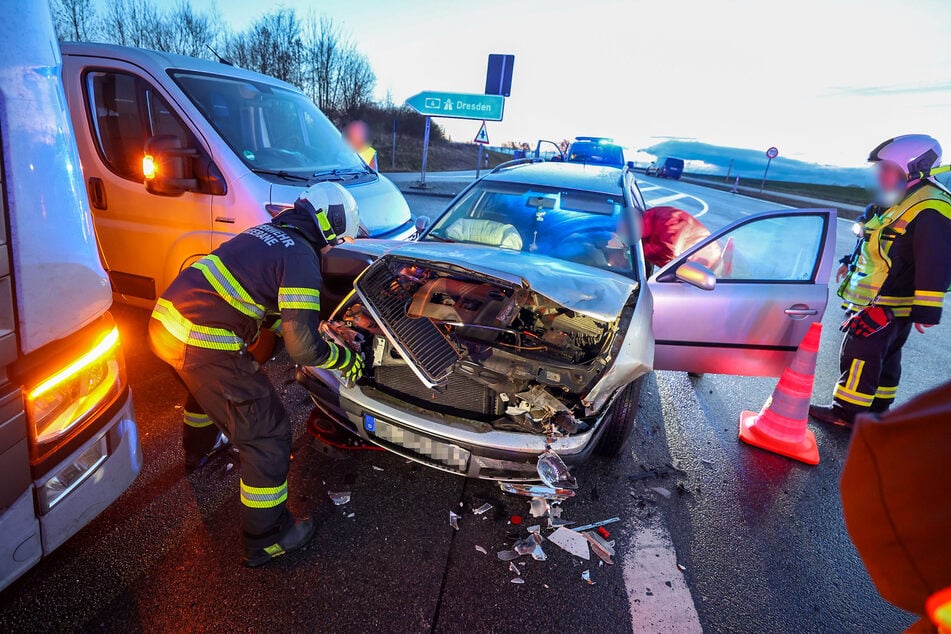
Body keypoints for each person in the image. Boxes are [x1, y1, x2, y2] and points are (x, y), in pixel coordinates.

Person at [148, 182, 365, 567]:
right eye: (339, 238)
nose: (334, 246)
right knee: (267, 434)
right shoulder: (301, 255)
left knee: (203, 391)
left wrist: (307, 330)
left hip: (167, 324)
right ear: (329, 227)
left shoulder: (265, 232)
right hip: (202, 339)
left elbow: (264, 305)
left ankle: (197, 456)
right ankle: (267, 538)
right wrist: (344, 360)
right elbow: (303, 350)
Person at [810, 135, 951, 428]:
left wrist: (926, 311)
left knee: (860, 354)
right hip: (883, 300)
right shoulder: (896, 199)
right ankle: (878, 410)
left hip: (886, 303)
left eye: (887, 167)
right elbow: (873, 240)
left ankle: (846, 414)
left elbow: (934, 261)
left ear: (912, 168)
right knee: (886, 359)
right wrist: (848, 264)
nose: (881, 174)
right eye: (881, 168)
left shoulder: (930, 207)